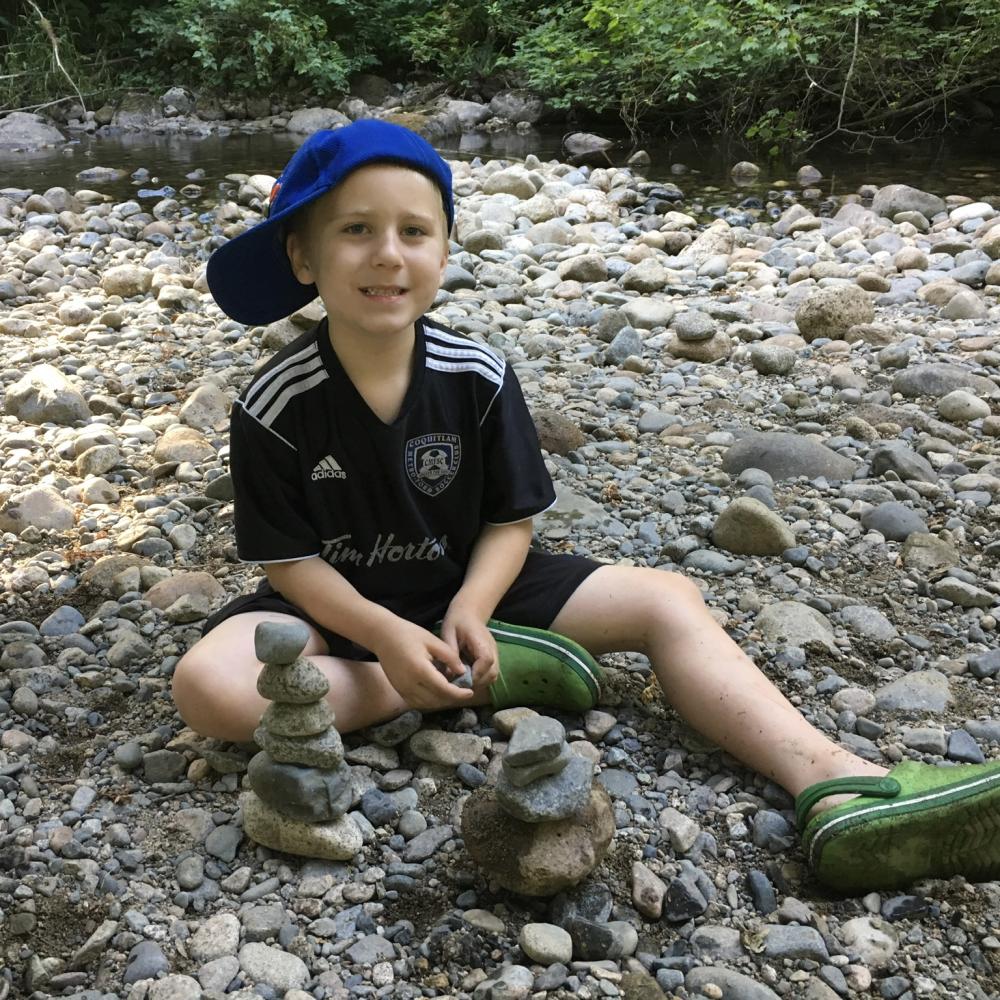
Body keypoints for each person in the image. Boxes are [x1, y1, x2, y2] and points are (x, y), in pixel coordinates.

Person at [172, 119, 1000, 894]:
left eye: (413, 231)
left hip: (479, 593)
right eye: (355, 230)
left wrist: (472, 603)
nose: (387, 255)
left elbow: (510, 521)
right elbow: (289, 561)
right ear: (303, 256)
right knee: (207, 687)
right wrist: (388, 641)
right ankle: (449, 684)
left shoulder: (477, 376)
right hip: (341, 609)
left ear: (445, 248)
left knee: (668, 597)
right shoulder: (273, 405)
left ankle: (831, 779)